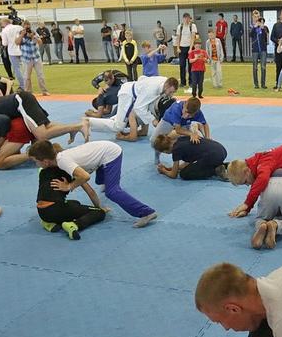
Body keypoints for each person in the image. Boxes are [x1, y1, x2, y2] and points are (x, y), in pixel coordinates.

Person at [28, 139, 157, 228]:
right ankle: (106, 181)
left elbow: (85, 176)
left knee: (112, 192)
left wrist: (69, 186)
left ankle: (147, 213)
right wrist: (99, 207)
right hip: (102, 151)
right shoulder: (60, 160)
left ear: (45, 161)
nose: (36, 164)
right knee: (100, 182)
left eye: (35, 161)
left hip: (110, 153)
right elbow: (89, 190)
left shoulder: (63, 162)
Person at [0, 91, 83, 166]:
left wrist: (2, 138)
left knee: (42, 135)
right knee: (45, 128)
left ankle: (77, 126)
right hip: (21, 107)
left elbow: (4, 120)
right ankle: (59, 140)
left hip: (20, 102)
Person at [83, 75, 179, 142]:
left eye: (173, 92)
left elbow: (143, 78)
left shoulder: (165, 81)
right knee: (118, 126)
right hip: (128, 95)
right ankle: (89, 122)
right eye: (170, 92)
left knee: (124, 117)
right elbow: (139, 108)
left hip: (135, 91)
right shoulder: (152, 89)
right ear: (166, 86)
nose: (171, 95)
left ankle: (138, 129)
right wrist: (153, 120)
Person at [35, 161, 107, 240]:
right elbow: (90, 192)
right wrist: (98, 207)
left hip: (42, 212)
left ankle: (48, 222)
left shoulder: (43, 170)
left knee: (75, 203)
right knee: (99, 212)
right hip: (56, 210)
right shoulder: (73, 171)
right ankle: (74, 225)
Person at [152, 133, 228, 181]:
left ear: (165, 151)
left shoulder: (176, 150)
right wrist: (170, 168)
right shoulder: (180, 139)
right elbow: (187, 163)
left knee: (184, 174)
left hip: (214, 156)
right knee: (191, 167)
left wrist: (163, 171)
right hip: (221, 150)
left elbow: (173, 175)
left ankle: (214, 171)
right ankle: (224, 165)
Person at [17, 21, 50, 96]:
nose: (27, 27)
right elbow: (17, 42)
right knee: (26, 77)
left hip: (36, 57)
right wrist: (22, 35)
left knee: (40, 75)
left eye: (28, 25)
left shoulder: (34, 32)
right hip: (26, 58)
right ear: (23, 26)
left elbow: (40, 42)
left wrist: (33, 37)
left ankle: (44, 91)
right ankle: (28, 93)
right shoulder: (20, 33)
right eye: (25, 25)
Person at [174, 13, 200, 87]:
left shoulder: (192, 26)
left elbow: (193, 37)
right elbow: (178, 38)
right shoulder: (180, 26)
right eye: (185, 18)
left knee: (191, 66)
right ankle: (183, 82)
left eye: (188, 18)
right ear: (183, 19)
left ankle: (191, 82)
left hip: (190, 47)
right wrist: (178, 47)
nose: (187, 20)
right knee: (182, 65)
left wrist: (191, 48)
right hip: (182, 47)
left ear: (189, 19)